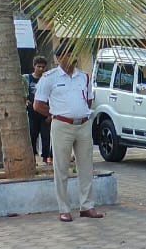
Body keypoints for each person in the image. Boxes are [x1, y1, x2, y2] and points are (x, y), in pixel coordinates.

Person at [35, 42, 103, 221]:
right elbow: (38, 104)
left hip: (83, 125)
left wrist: (80, 113)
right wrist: (53, 114)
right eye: (67, 54)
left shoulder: (84, 77)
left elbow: (88, 100)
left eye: (74, 53)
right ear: (59, 58)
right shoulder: (49, 77)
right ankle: (63, 209)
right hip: (62, 125)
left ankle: (87, 206)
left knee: (86, 167)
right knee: (61, 167)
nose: (72, 57)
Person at [24, 56, 52, 165]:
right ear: (34, 66)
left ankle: (46, 158)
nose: (41, 69)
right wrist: (25, 100)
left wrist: (50, 115)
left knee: (46, 136)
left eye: (43, 67)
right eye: (38, 66)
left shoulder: (48, 79)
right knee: (32, 136)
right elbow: (22, 93)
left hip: (45, 113)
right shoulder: (27, 79)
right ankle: (32, 158)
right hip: (32, 113)